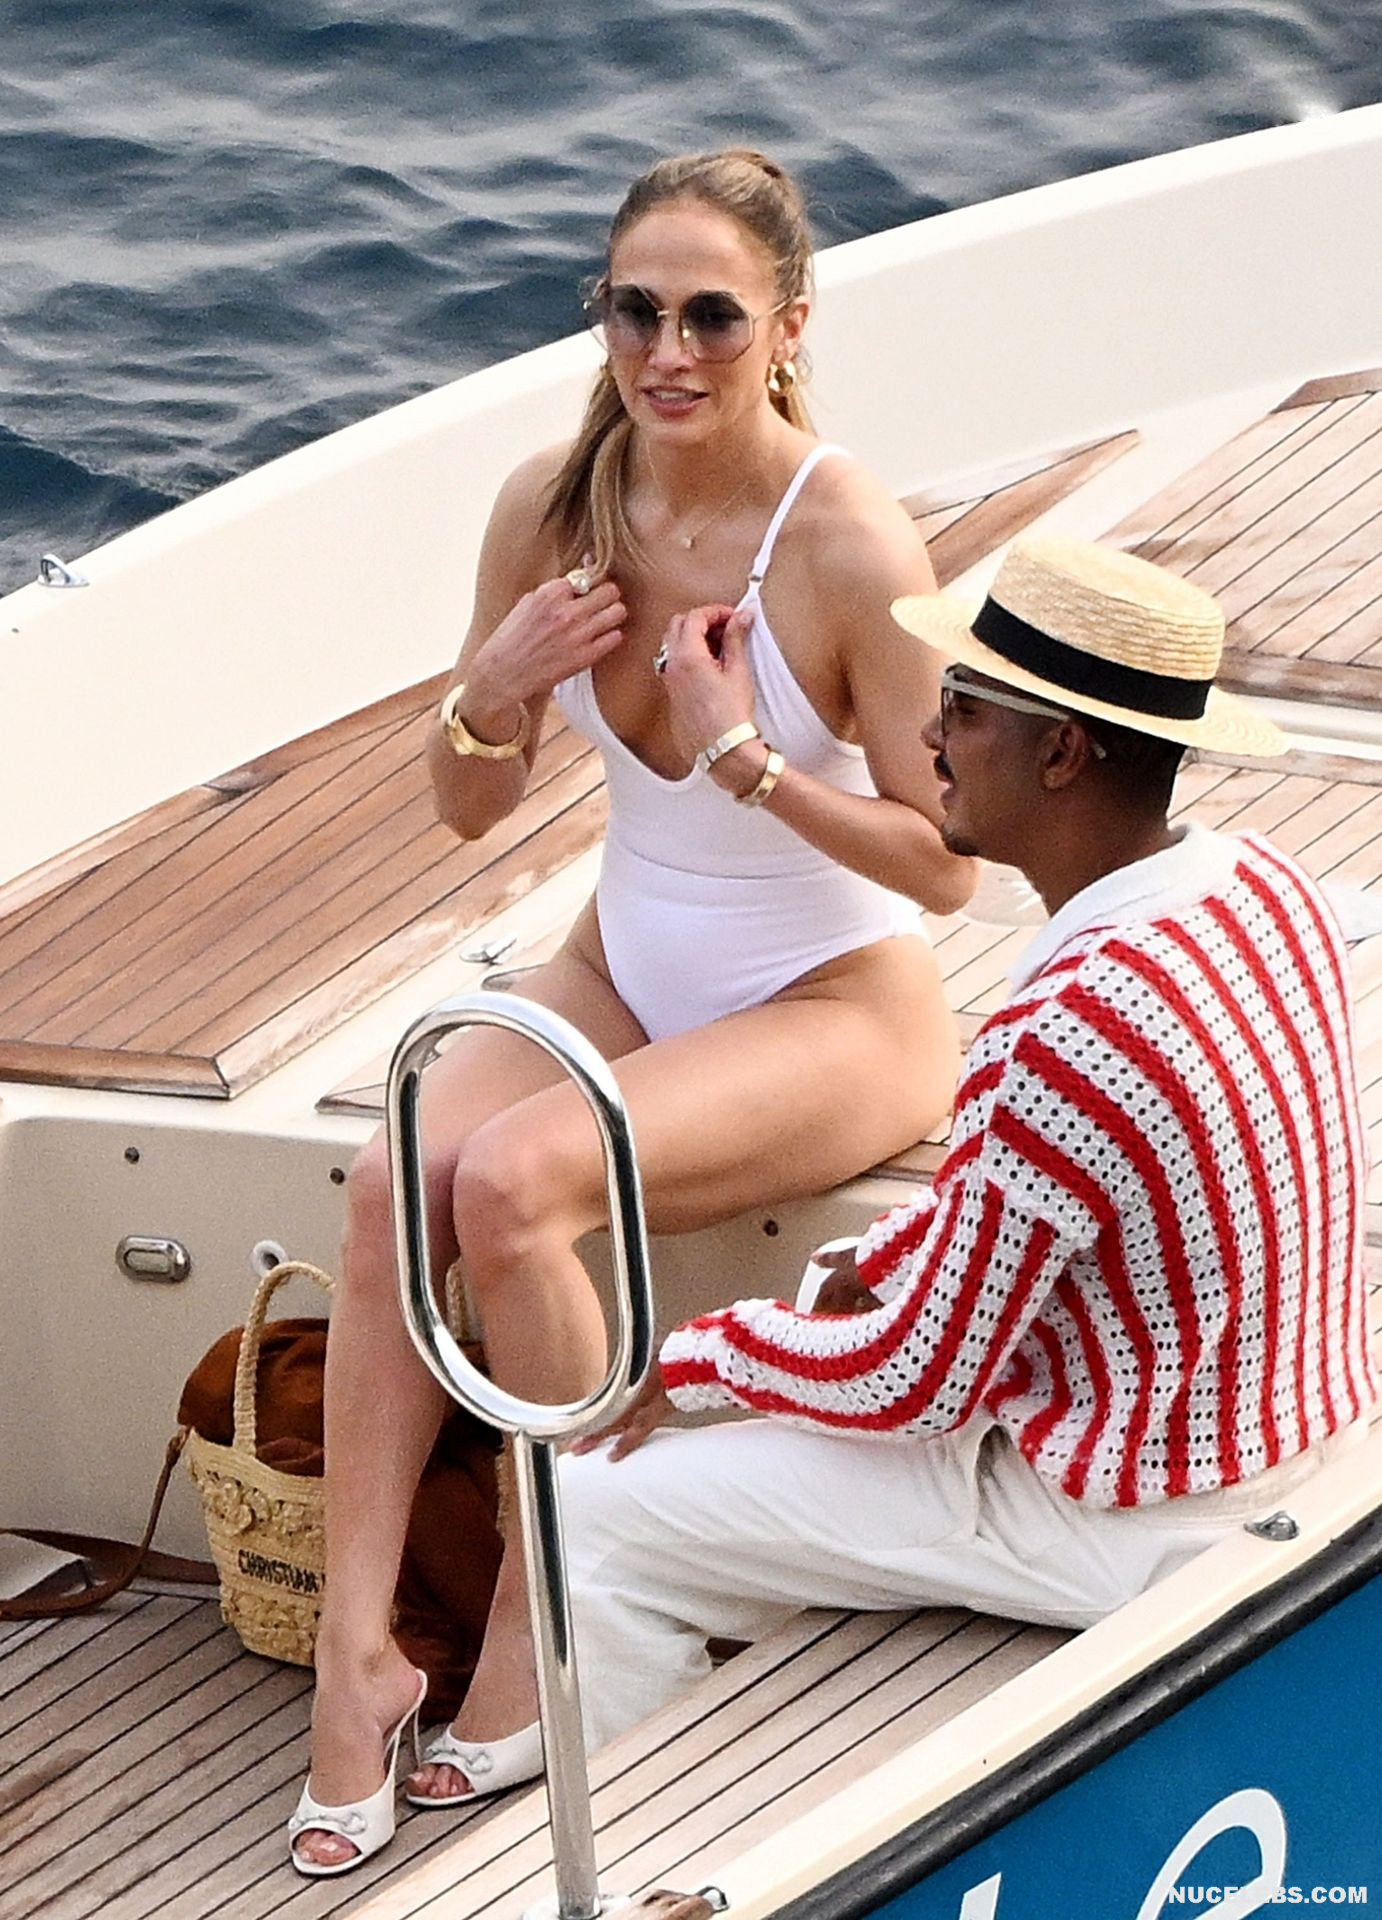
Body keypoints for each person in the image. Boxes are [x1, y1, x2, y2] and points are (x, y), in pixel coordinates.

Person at [414, 533, 1376, 1784]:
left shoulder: (1070, 1025)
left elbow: (916, 1380)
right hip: (1291, 1433)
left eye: (961, 708)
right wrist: (859, 1273)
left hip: (1131, 1517)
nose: (927, 734)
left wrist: (688, 1364)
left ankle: (613, 1825)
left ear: (1061, 752)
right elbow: (1043, 1203)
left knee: (589, 1506)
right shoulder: (1263, 888)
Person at [290, 148, 975, 1875]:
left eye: (710, 317)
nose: (668, 352)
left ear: (788, 326)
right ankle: (352, 1663)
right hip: (623, 966)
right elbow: (466, 808)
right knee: (388, 1183)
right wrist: (489, 689)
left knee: (512, 1183)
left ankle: (541, 1630)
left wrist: (748, 762)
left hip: (836, 1002)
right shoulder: (553, 504)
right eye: (634, 310)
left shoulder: (843, 539)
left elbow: (948, 863)